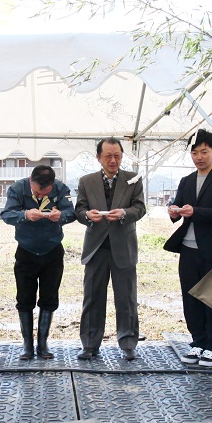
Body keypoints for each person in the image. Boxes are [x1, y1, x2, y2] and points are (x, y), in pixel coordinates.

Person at [164, 129, 212, 367]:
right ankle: (197, 342)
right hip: (188, 249)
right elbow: (179, 208)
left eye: (204, 152)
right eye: (194, 152)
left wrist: (194, 211)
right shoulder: (186, 181)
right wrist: (173, 211)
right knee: (190, 297)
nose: (199, 157)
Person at [74, 137, 147, 361]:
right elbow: (79, 210)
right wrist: (87, 216)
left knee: (126, 298)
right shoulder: (86, 181)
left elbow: (140, 207)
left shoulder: (133, 180)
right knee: (93, 297)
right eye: (108, 156)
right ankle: (90, 344)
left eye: (117, 156)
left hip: (123, 246)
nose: (113, 160)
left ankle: (128, 343)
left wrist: (124, 213)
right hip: (96, 247)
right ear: (99, 158)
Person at [0, 165, 76, 360]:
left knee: (49, 298)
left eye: (45, 192)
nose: (40, 195)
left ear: (52, 185)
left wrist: (61, 216)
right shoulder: (17, 189)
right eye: (36, 191)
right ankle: (27, 344)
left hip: (52, 250)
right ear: (30, 180)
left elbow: (72, 213)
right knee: (24, 299)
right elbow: (6, 214)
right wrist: (24, 215)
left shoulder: (61, 189)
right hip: (26, 251)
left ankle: (42, 343)